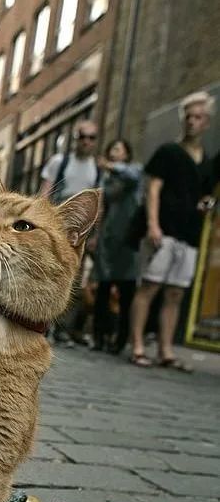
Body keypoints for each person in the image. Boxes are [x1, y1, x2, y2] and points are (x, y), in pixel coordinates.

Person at [129, 91, 218, 370]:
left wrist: (207, 203)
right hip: (163, 230)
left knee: (176, 293)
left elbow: (206, 195)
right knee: (150, 287)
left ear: (207, 122)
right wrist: (153, 225)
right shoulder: (168, 152)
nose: (192, 122)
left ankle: (166, 350)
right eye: (188, 117)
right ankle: (138, 345)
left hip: (189, 234)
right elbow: (152, 189)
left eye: (198, 117)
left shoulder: (207, 161)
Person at [40, 120, 101, 344]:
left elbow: (97, 203)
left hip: (80, 232)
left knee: (72, 277)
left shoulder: (97, 167)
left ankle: (63, 326)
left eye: (91, 137)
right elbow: (45, 193)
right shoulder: (60, 161)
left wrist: (95, 234)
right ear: (76, 138)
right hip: (56, 226)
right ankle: (42, 321)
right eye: (82, 136)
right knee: (47, 273)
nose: (86, 141)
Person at [91, 140, 143, 353]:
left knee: (126, 291)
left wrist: (110, 166)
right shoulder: (105, 178)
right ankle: (99, 337)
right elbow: (101, 206)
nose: (113, 153)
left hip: (129, 238)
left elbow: (132, 176)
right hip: (108, 237)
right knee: (102, 289)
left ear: (127, 154)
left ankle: (121, 339)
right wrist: (95, 235)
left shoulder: (134, 170)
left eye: (118, 149)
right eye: (111, 149)